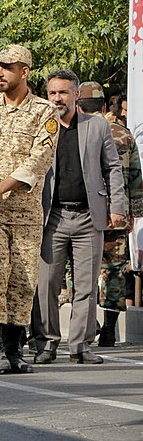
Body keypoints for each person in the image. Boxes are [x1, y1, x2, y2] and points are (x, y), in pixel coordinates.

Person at [0, 44, 59, 374]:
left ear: (24, 72)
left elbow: (39, 160)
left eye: (6, 68)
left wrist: (0, 188)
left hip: (26, 212)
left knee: (23, 280)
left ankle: (17, 349)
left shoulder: (45, 112)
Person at [33, 71, 125, 365]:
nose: (57, 99)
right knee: (47, 283)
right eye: (52, 93)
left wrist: (117, 206)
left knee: (85, 287)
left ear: (75, 95)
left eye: (62, 93)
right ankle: (47, 343)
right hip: (52, 217)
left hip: (88, 216)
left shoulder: (96, 126)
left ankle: (80, 346)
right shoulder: (40, 128)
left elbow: (112, 168)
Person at [76, 82, 143, 347]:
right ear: (104, 106)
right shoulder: (124, 135)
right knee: (114, 270)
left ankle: (86, 323)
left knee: (80, 268)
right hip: (117, 213)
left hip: (83, 212)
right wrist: (134, 214)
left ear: (79, 105)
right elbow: (136, 179)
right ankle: (110, 330)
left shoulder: (77, 131)